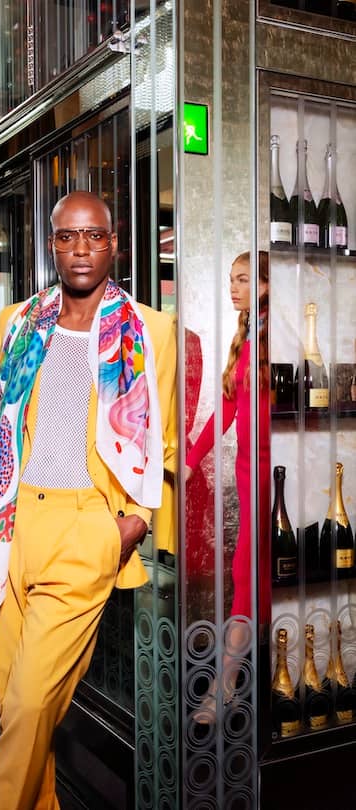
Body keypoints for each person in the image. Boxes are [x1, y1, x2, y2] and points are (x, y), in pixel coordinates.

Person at [0, 190, 177, 808]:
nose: (81, 249)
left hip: (85, 531)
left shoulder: (152, 331)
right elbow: (2, 422)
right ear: (52, 245)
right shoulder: (17, 322)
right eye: (68, 237)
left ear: (114, 243)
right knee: (23, 716)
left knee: (25, 710)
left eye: (94, 236)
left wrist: (130, 524)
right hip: (9, 528)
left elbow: (165, 443)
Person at [185, 250, 270, 719]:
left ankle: (227, 684)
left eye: (242, 280)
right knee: (249, 575)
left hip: (272, 473)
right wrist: (194, 459)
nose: (233, 288)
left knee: (248, 575)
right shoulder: (247, 334)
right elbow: (228, 409)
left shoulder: (273, 335)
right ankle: (245, 679)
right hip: (247, 472)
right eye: (230, 280)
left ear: (265, 285)